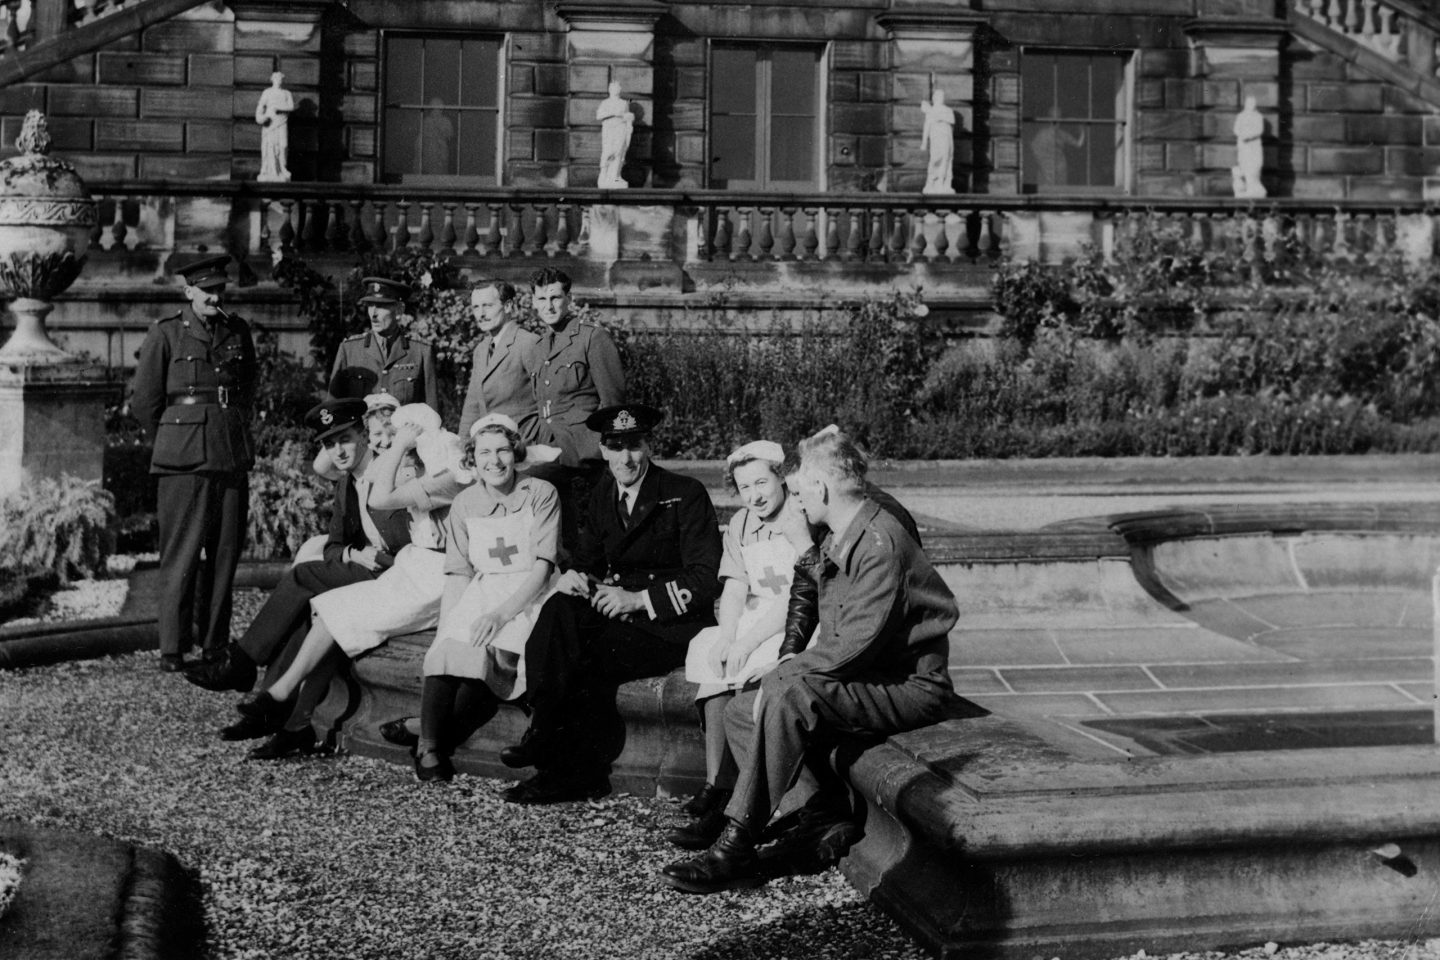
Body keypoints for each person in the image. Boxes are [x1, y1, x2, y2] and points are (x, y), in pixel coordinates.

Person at [661, 427, 959, 894]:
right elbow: (826, 604)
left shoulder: (879, 542)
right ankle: (823, 814)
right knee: (743, 710)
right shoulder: (848, 530)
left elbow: (853, 648)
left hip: (907, 687)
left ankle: (737, 843)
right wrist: (783, 666)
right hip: (869, 677)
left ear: (820, 488)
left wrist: (784, 670)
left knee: (786, 691)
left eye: (798, 490)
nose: (794, 498)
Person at [499, 403, 721, 805]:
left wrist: (638, 599)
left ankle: (566, 770)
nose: (626, 458)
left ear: (649, 446)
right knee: (559, 608)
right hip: (614, 609)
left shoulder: (683, 494)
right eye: (616, 447)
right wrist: (574, 576)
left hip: (665, 623)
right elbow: (588, 559)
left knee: (587, 660)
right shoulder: (603, 491)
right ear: (603, 450)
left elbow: (705, 579)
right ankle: (543, 732)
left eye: (634, 445)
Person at [235, 403, 470, 760]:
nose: (384, 446)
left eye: (393, 437)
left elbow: (382, 496)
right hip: (414, 568)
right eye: (380, 437)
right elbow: (350, 493)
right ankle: (283, 700)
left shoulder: (446, 478)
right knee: (331, 611)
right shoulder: (406, 475)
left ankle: (277, 696)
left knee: (325, 601)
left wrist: (400, 447)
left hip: (440, 575)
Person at [183, 398, 413, 704]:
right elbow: (333, 546)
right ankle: (273, 709)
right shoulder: (346, 483)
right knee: (299, 614)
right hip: (367, 570)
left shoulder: (394, 472)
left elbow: (415, 544)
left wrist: (372, 557)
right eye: (330, 445)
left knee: (304, 575)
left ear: (364, 434)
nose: (339, 452)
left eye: (345, 440)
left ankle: (242, 662)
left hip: (402, 579)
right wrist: (352, 554)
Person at [380, 413, 562, 782]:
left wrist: (500, 615)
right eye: (484, 453)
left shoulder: (540, 493)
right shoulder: (464, 502)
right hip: (485, 586)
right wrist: (449, 626)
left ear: (516, 451)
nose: (494, 461)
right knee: (449, 647)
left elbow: (543, 565)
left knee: (497, 655)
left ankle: (424, 727)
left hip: (532, 592)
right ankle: (428, 749)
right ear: (471, 458)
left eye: (502, 451)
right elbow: (459, 570)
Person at [670, 440, 808, 850]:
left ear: (782, 477)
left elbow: (796, 595)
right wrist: (729, 635)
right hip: (753, 614)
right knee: (713, 657)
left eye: (762, 483)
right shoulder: (743, 524)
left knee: (752, 678)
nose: (756, 495)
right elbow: (734, 586)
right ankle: (718, 786)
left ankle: (745, 802)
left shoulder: (800, 517)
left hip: (795, 620)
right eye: (745, 488)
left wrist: (748, 641)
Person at [131, 253, 257, 672]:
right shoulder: (167, 333)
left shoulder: (237, 331)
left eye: (220, 290)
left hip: (230, 453)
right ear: (189, 292)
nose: (215, 296)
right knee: (181, 554)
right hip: (183, 459)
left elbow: (248, 389)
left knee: (224, 555)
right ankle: (172, 647)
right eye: (207, 291)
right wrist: (173, 440)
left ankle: (213, 643)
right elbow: (146, 402)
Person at [330, 277, 438, 408]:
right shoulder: (349, 350)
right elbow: (333, 407)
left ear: (399, 310)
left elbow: (432, 413)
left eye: (381, 306)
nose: (373, 314)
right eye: (370, 306)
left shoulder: (421, 352)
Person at [457, 280, 542, 440]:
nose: (481, 314)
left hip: (525, 446)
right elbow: (472, 406)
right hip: (490, 448)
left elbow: (548, 401)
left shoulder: (528, 343)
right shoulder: (481, 350)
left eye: (488, 306)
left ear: (508, 306)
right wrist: (462, 447)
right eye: (476, 307)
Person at [255, 71, 294, 183]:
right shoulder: (267, 92)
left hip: (282, 122)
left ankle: (282, 168)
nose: (279, 81)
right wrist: (260, 118)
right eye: (277, 79)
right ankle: (269, 170)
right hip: (270, 122)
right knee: (270, 146)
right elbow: (260, 107)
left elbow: (291, 107)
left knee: (283, 145)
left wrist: (279, 107)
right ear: (272, 80)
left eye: (281, 79)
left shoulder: (287, 93)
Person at [597, 82, 634, 189]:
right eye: (614, 87)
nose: (616, 89)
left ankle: (615, 176)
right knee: (608, 152)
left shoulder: (624, 103)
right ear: (610, 89)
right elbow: (599, 116)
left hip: (621, 129)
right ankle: (604, 174)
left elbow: (626, 117)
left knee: (619, 152)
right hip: (609, 129)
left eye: (618, 87)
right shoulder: (605, 103)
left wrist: (629, 118)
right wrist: (613, 113)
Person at [919, 89, 956, 195]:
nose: (940, 98)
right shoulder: (930, 111)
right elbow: (927, 126)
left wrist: (933, 113)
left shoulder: (947, 110)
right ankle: (931, 181)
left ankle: (942, 181)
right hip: (936, 138)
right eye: (938, 96)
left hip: (946, 137)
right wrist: (924, 142)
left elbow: (951, 122)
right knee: (935, 159)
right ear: (934, 98)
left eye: (942, 96)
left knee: (946, 159)